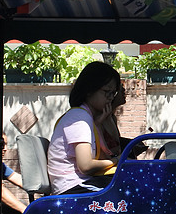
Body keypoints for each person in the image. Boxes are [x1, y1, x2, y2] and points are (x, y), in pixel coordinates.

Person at [47, 61, 122, 194]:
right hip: (72, 187)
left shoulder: (88, 117)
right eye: (106, 92)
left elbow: (101, 157)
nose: (110, 98)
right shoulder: (79, 118)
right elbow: (86, 166)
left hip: (83, 182)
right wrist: (117, 160)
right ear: (89, 90)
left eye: (113, 93)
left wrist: (98, 124)